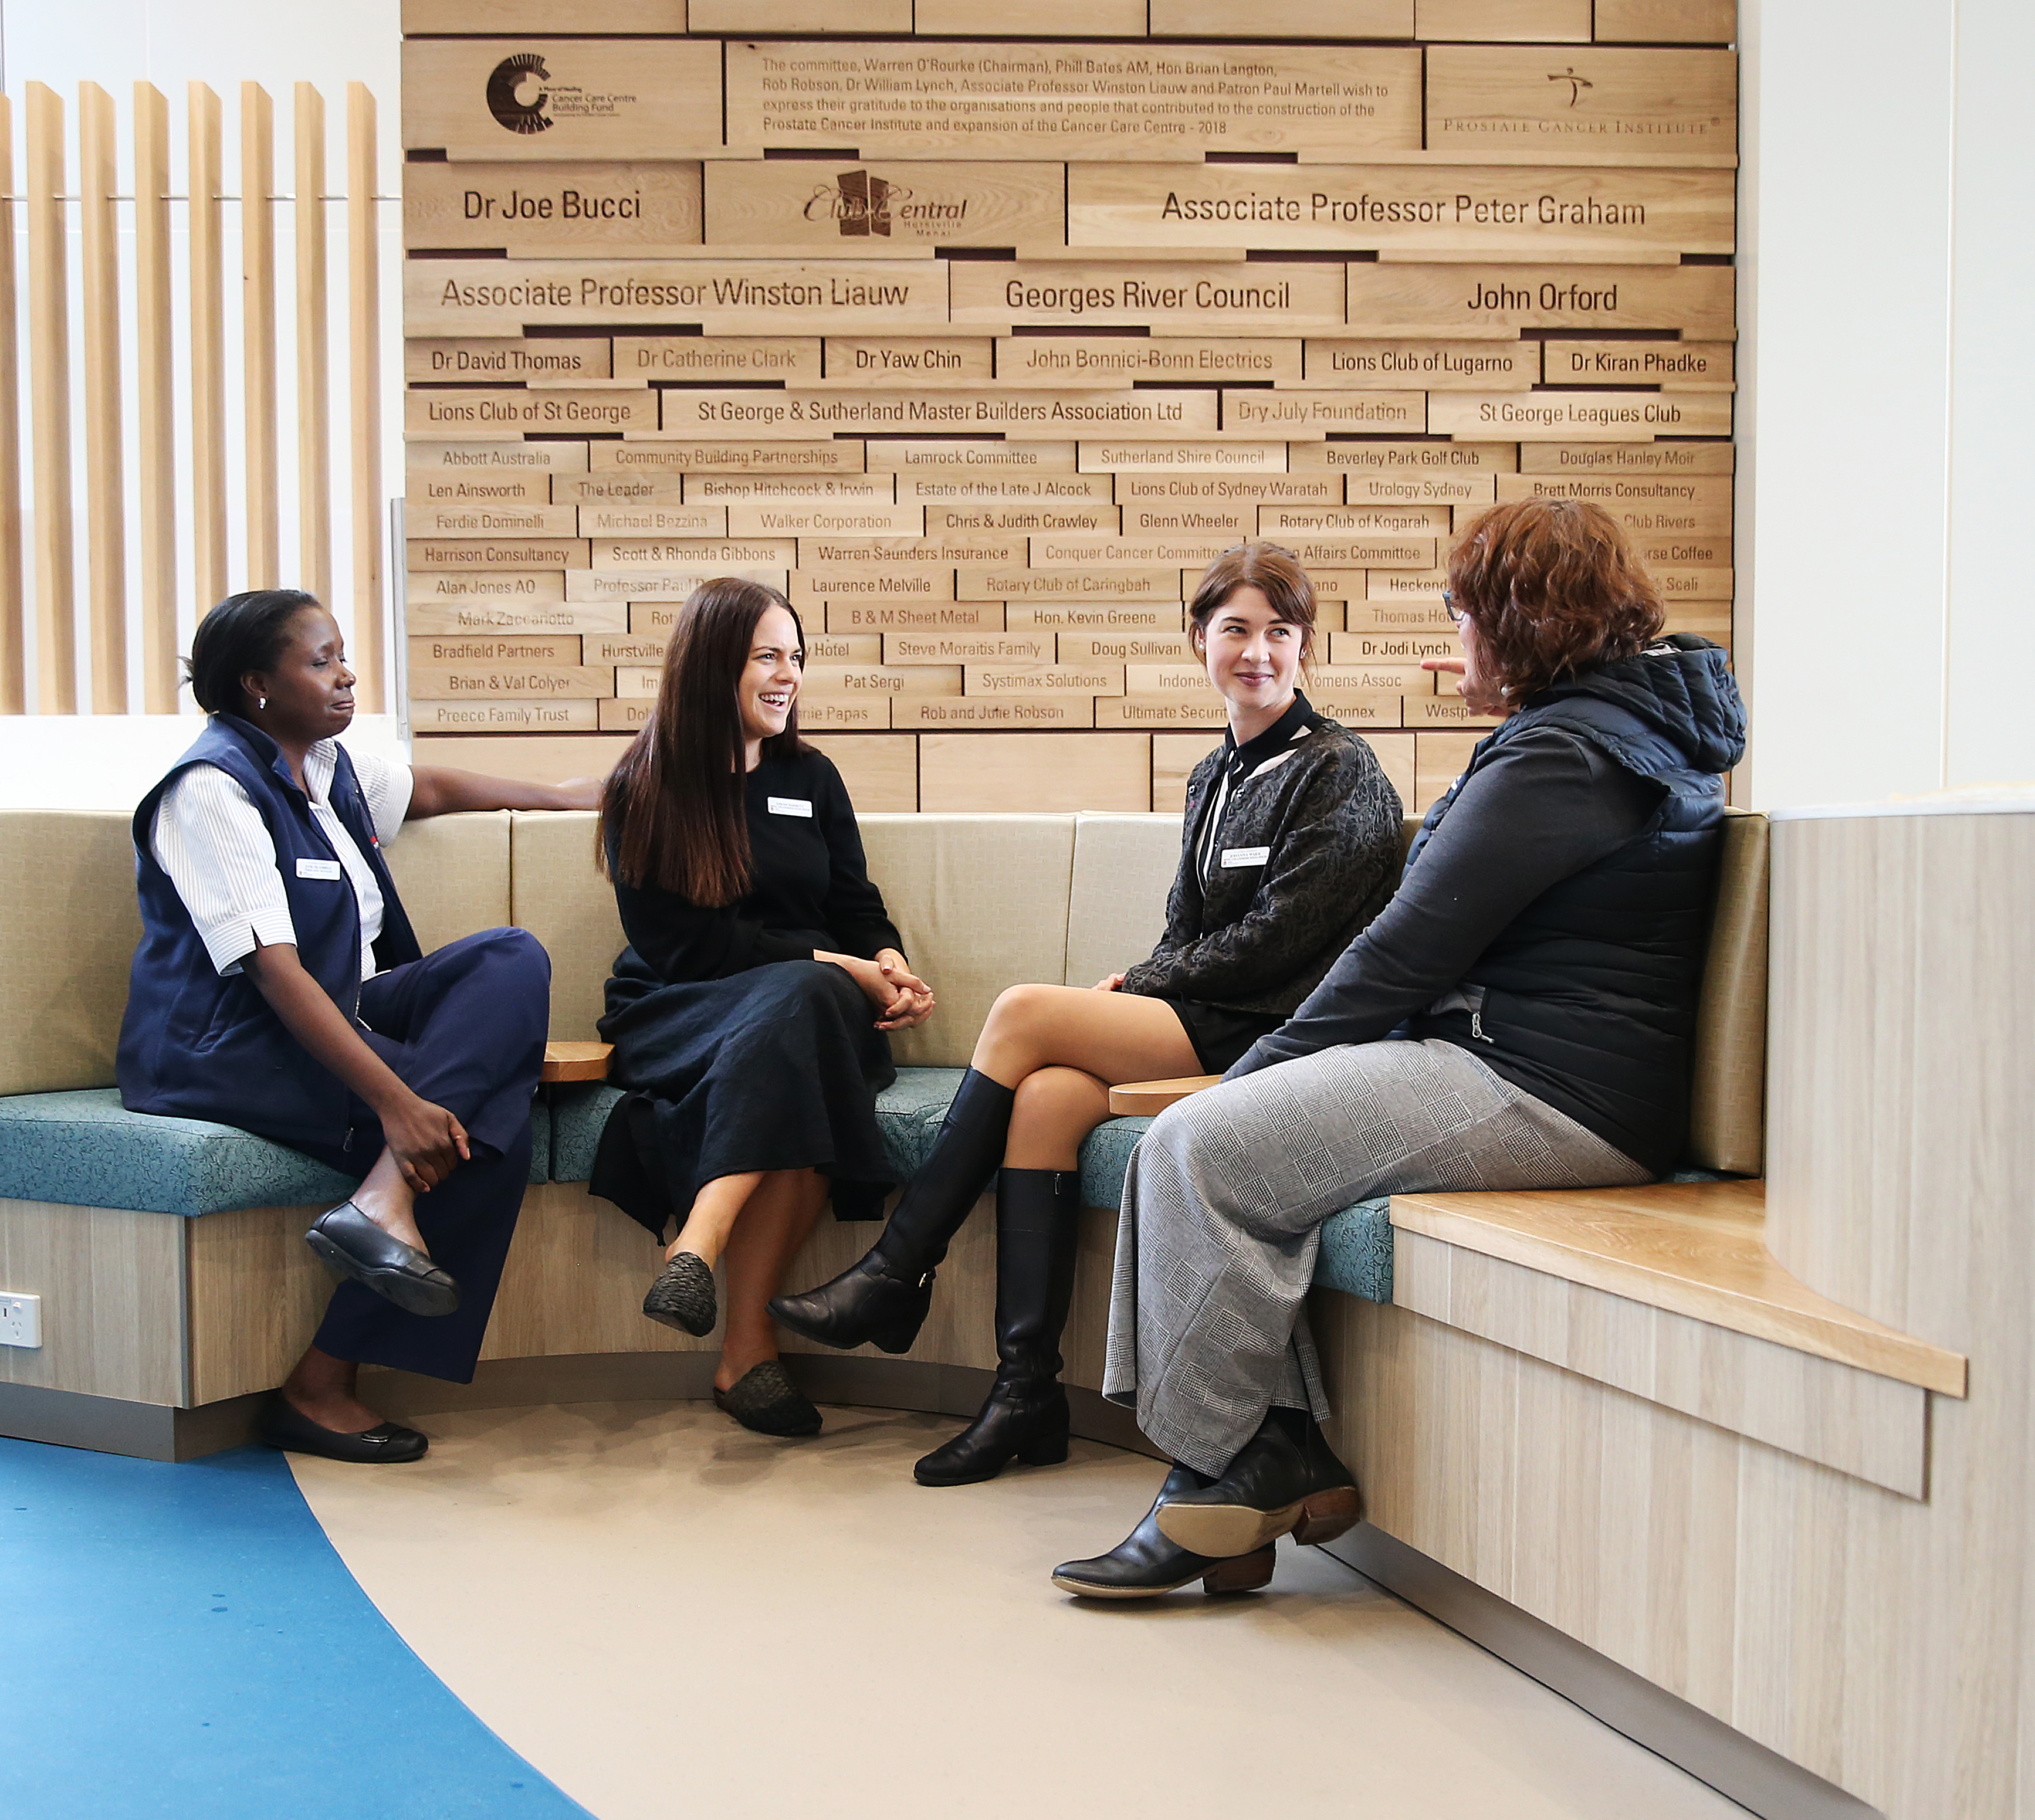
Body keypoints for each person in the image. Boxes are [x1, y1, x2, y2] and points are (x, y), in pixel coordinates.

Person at [1057, 498, 1746, 1599]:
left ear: (1521, 623)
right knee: (1202, 1141)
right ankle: (1257, 1457)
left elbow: (1402, 952)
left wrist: (1253, 1074)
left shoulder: (1566, 754)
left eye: (1465, 615)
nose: (1453, 639)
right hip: (1517, 1062)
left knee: (1193, 1147)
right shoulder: (1604, 730)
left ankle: (1223, 1475)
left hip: (1546, 1087)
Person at [771, 543, 1406, 1486]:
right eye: (1234, 630)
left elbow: (1281, 945)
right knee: (1048, 1098)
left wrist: (1151, 985)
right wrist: (1141, 976)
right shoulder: (1214, 776)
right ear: (1198, 641)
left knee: (1024, 1013)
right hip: (1214, 1014)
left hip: (1281, 1032)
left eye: (1279, 633)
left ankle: (895, 1269)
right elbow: (1184, 928)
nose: (1257, 653)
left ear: (1306, 647)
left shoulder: (1339, 773)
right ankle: (1023, 1394)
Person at [117, 589, 600, 1467]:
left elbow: (438, 786)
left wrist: (569, 798)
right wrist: (397, 1105)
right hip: (226, 1039)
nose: (345, 675)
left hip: (343, 1003)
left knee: (510, 957)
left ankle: (384, 1197)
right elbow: (275, 974)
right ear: (256, 685)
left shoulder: (329, 766)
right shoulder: (210, 792)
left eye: (341, 655)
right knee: (482, 1134)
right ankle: (318, 1384)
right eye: (321, 660)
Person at [593, 577, 936, 1439]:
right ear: (714, 666)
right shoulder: (645, 785)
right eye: (766, 657)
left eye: (795, 657)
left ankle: (696, 1257)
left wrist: (885, 961)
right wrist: (835, 965)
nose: (787, 675)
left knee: (805, 1012)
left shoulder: (809, 776)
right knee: (806, 1008)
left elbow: (856, 904)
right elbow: (689, 950)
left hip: (811, 1009)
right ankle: (745, 1345)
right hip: (682, 1006)